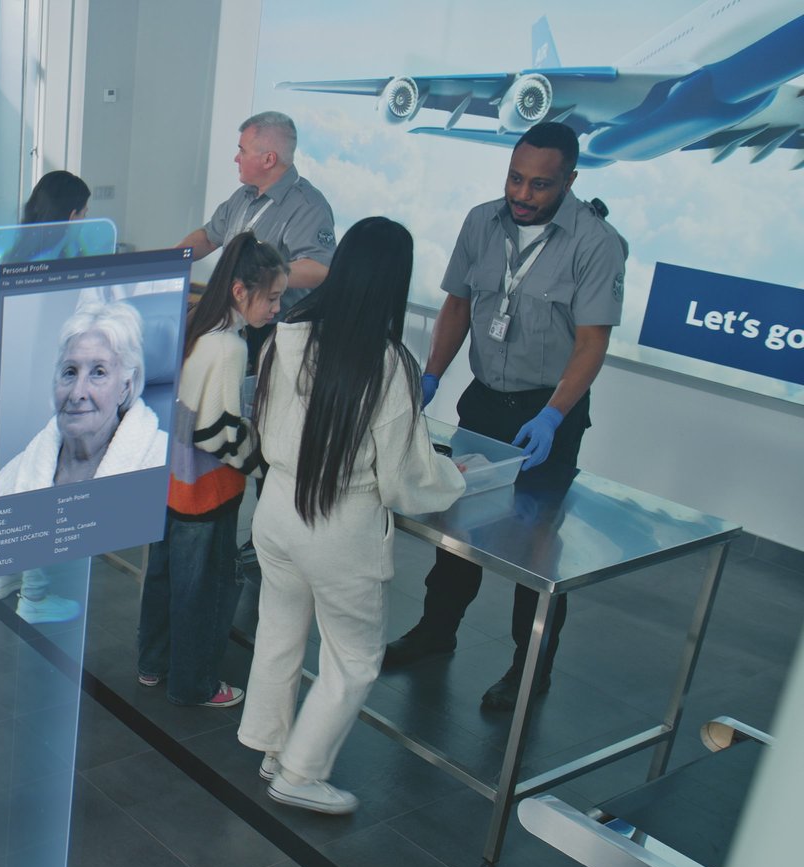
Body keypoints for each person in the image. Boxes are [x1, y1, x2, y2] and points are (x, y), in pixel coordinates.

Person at [382, 121, 627, 712]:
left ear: (569, 180)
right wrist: (433, 372)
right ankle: (436, 631)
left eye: (539, 185)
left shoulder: (596, 243)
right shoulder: (480, 222)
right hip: (485, 399)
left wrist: (552, 416)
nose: (522, 194)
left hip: (549, 411)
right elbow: (459, 304)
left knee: (537, 546)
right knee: (456, 524)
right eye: (515, 178)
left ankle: (530, 667)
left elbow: (591, 343)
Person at [238, 217, 466, 815]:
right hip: (337, 526)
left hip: (276, 510)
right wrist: (453, 477)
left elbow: (264, 426)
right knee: (355, 659)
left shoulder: (287, 335)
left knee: (279, 631)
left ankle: (270, 746)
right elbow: (405, 478)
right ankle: (301, 773)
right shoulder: (387, 363)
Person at [137, 233, 289, 706]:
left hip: (171, 485)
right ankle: (195, 683)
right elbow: (215, 431)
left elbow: (182, 412)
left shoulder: (197, 325)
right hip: (207, 493)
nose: (277, 310)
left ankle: (152, 663)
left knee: (163, 580)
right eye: (273, 298)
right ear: (241, 291)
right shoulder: (229, 347)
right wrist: (259, 458)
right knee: (204, 593)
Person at [0, 170, 97, 622]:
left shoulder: (18, 248)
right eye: (85, 213)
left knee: (18, 479)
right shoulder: (67, 257)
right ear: (72, 214)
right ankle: (33, 595)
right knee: (46, 487)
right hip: (49, 388)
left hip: (14, 385)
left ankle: (4, 576)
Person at [0, 301, 167, 494]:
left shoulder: (162, 460)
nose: (77, 394)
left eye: (98, 372)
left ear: (125, 388)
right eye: (70, 372)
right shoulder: (18, 473)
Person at [178, 112, 335, 314]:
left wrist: (262, 276)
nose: (236, 158)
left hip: (272, 331)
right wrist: (170, 260)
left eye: (242, 151)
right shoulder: (243, 195)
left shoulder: (308, 206)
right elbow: (209, 239)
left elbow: (319, 269)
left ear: (269, 159)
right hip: (231, 318)